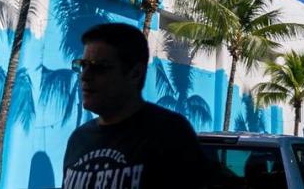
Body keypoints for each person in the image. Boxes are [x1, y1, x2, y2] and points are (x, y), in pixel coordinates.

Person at [62, 22, 209, 188]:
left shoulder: (170, 134)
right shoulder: (79, 139)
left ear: (135, 74)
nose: (85, 76)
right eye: (83, 65)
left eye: (99, 67)